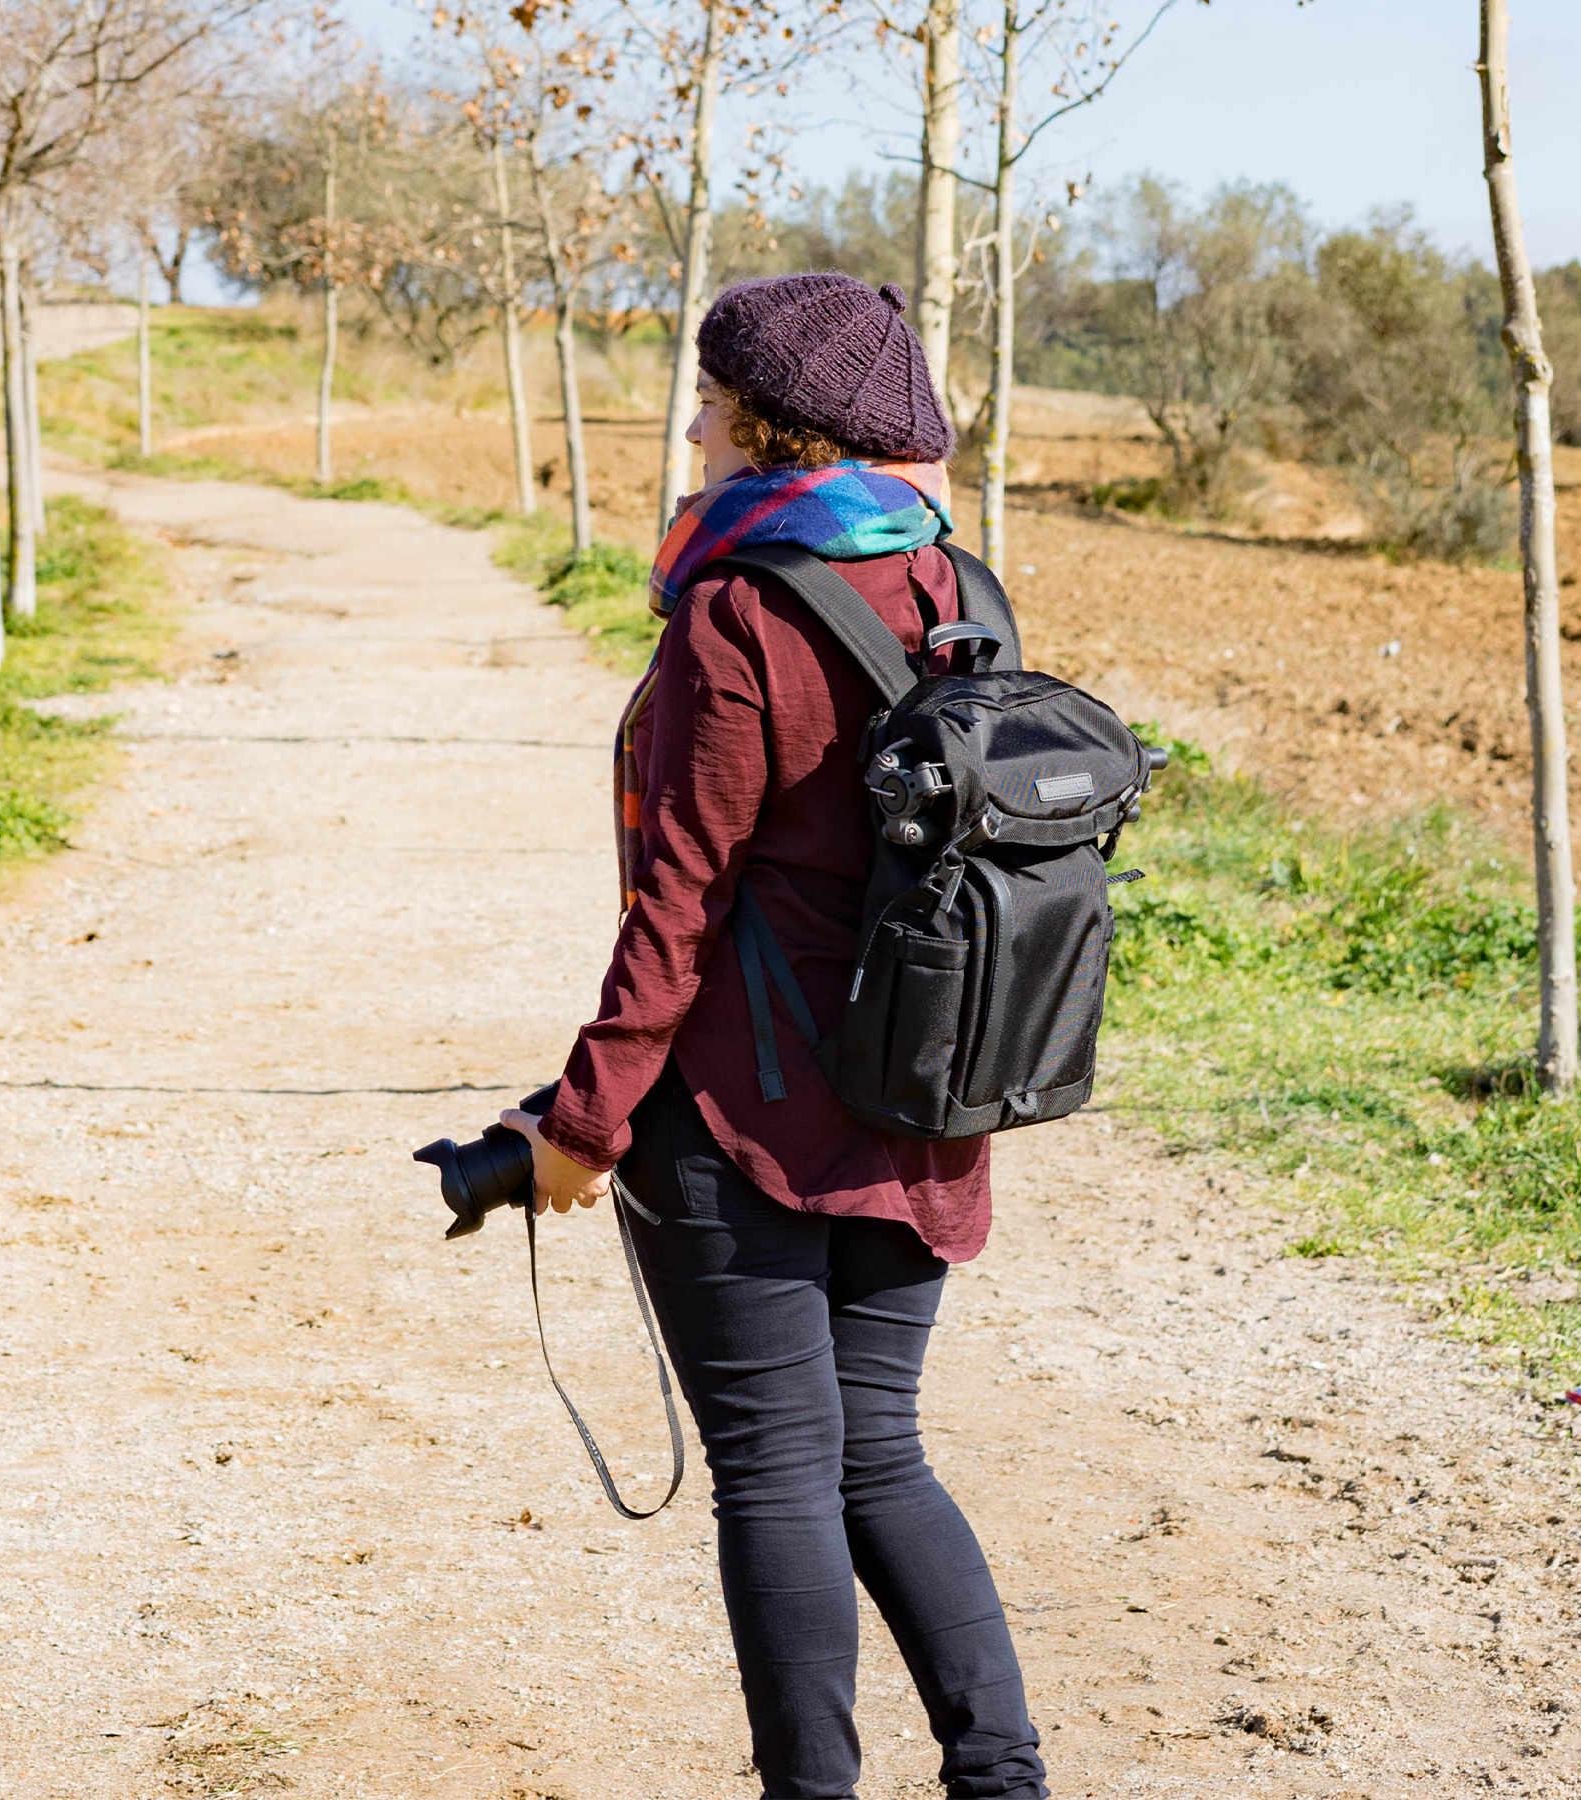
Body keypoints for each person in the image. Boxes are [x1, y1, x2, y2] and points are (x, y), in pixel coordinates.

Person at [500, 272, 1050, 1800]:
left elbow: (676, 911)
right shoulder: (961, 589)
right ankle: (1003, 1778)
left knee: (781, 1477)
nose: (687, 425)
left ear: (761, 428)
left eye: (705, 403)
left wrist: (583, 1126)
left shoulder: (738, 612)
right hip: (925, 1096)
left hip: (744, 1122)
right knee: (882, 1452)